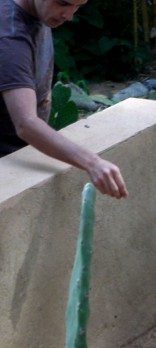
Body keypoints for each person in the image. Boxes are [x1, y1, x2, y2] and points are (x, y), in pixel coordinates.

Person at [0, 0, 128, 199]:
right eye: (64, 3)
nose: (69, 15)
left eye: (77, 6)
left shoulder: (38, 11)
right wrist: (92, 163)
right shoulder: (10, 38)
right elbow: (26, 123)